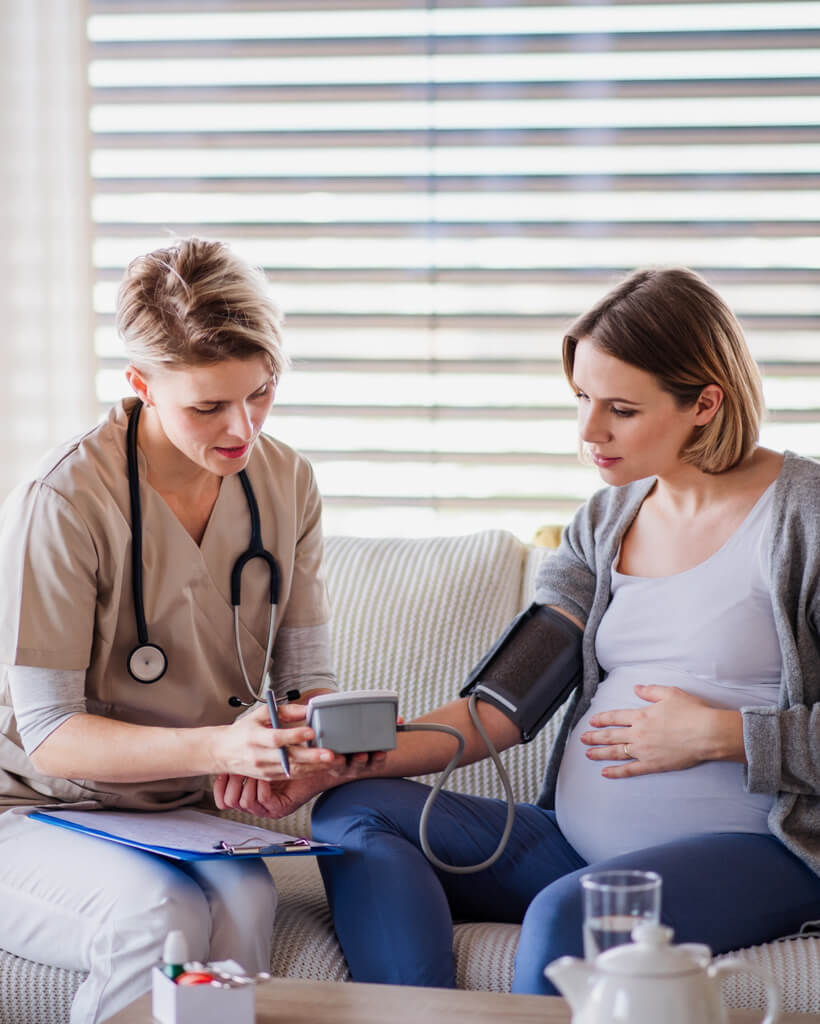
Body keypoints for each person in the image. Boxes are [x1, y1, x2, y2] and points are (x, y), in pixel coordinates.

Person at [222, 266, 820, 993]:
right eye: (582, 399)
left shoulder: (803, 517)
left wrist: (720, 735)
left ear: (705, 403)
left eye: (622, 410)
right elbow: (501, 707)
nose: (589, 432)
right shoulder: (605, 522)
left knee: (569, 918)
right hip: (577, 846)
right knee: (356, 809)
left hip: (766, 853)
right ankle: (418, 1017)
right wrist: (336, 759)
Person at [0, 238, 357, 1023]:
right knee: (155, 915)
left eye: (261, 393)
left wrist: (303, 744)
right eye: (208, 406)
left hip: (174, 815)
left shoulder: (285, 480)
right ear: (139, 385)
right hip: (28, 807)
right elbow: (50, 731)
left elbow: (303, 680)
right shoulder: (65, 500)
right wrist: (221, 745)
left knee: (244, 899)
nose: (243, 429)